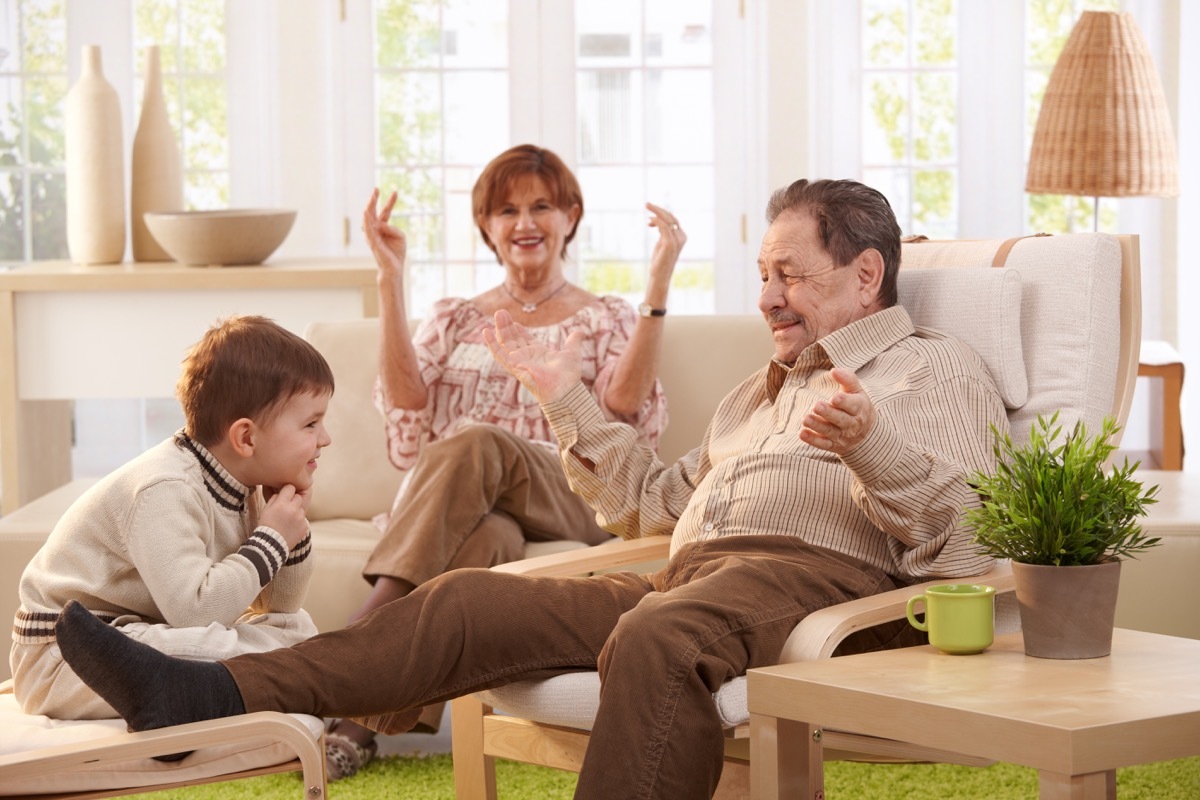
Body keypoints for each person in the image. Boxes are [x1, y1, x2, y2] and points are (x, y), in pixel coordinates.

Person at [52, 179, 1009, 799]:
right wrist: (564, 398)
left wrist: (871, 446)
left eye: (787, 275)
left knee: (659, 633)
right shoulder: (755, 394)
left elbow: (972, 542)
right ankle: (205, 692)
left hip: (817, 586)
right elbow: (651, 506)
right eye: (762, 274)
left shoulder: (934, 371)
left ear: (866, 275)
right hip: (694, 581)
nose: (765, 297)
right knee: (467, 603)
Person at [320, 143, 679, 774]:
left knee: (477, 440)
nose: (525, 222)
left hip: (574, 492)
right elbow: (406, 419)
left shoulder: (605, 317)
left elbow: (623, 414)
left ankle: (366, 627)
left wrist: (657, 286)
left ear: (570, 216)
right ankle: (357, 728)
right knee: (486, 535)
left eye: (542, 206)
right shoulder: (456, 319)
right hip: (470, 500)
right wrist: (388, 277)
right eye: (507, 209)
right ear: (486, 226)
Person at [10, 315, 333, 721]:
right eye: (311, 423)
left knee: (299, 633)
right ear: (247, 438)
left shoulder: (245, 486)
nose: (325, 438)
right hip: (64, 659)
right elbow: (196, 612)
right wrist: (270, 539)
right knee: (280, 654)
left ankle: (173, 690)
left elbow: (279, 606)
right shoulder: (165, 488)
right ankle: (170, 688)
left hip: (143, 638)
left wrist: (291, 532)